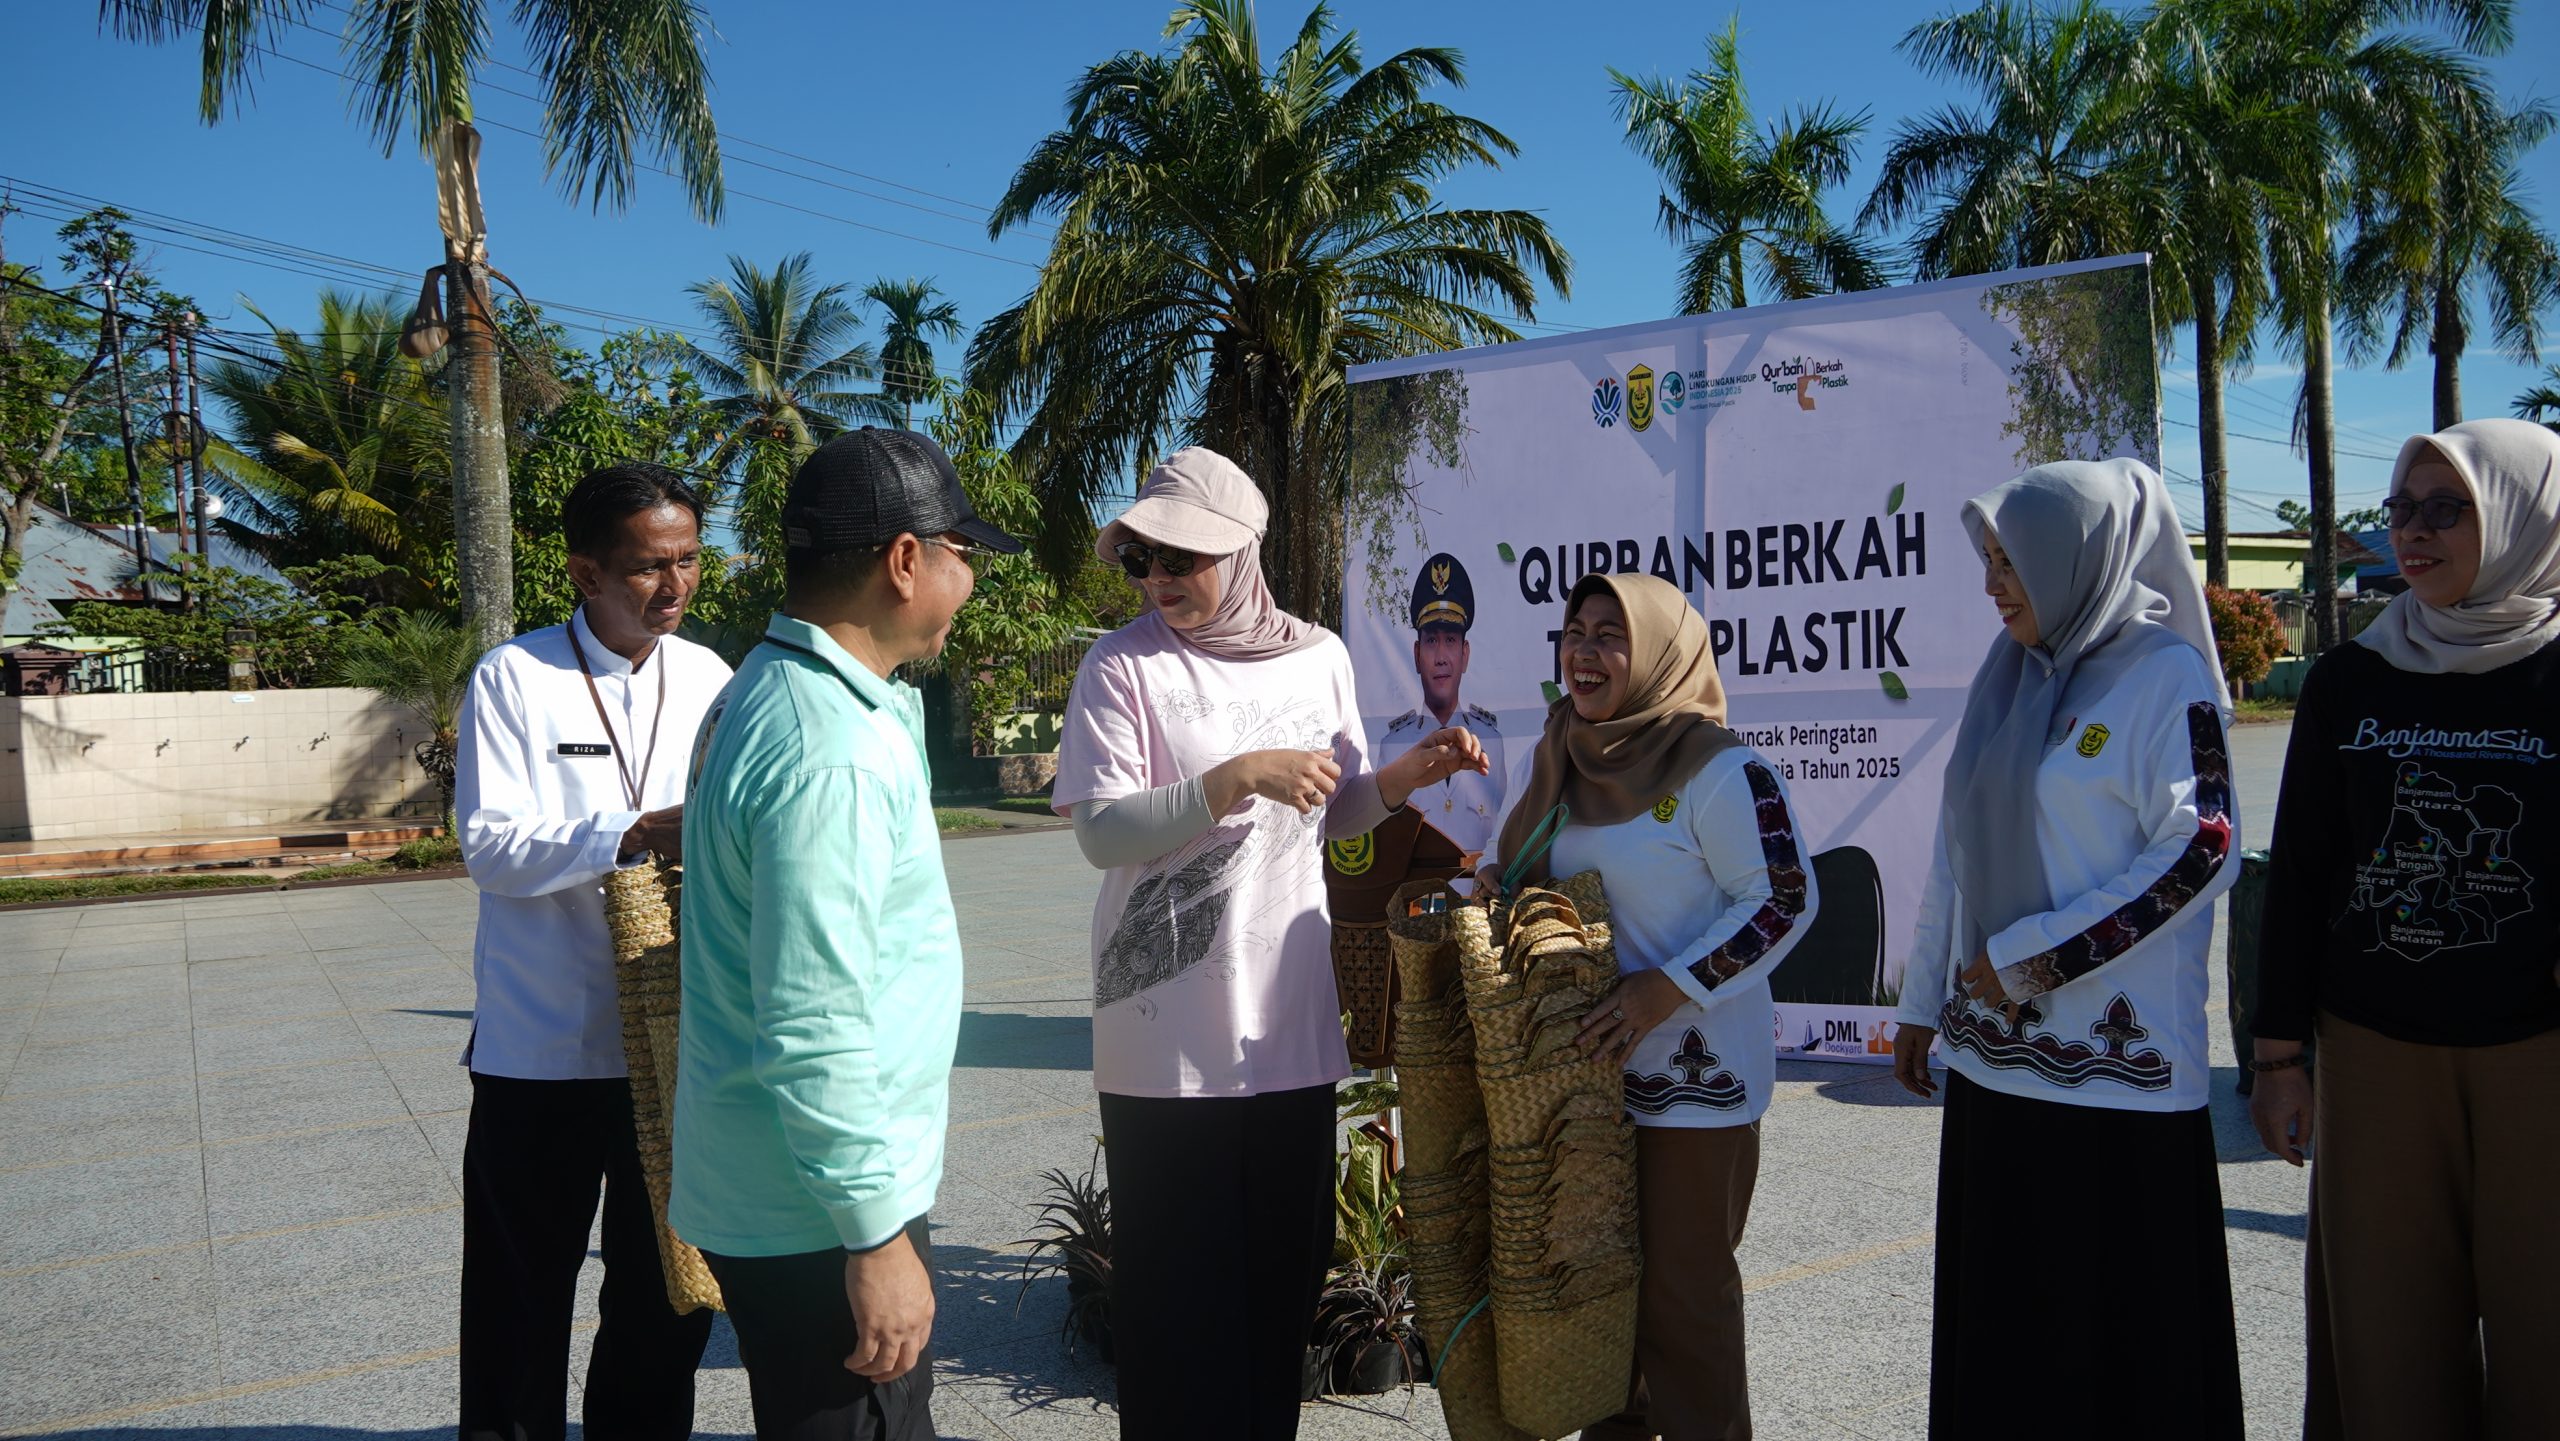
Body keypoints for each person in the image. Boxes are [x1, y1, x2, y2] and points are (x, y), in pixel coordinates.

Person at [1051, 446, 1488, 1441]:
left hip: (1284, 1026)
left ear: (1242, 553)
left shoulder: (1318, 656)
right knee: (1172, 1308)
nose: (1160, 579)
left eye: (1182, 558)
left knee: (1276, 1289)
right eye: (1144, 560)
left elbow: (1334, 817)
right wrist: (1232, 775)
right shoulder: (1123, 665)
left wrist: (1399, 781)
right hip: (1160, 1033)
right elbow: (1100, 831)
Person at [671, 428, 1020, 1441]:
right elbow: (812, 1016)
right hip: (818, 1211)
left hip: (792, 1186)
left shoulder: (774, 687)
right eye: (964, 555)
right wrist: (874, 1234)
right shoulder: (831, 751)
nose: (969, 582)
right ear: (904, 559)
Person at [1890, 458, 2243, 1439]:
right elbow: (1956, 849)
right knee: (2009, 1359)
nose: (1996, 585)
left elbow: (2205, 846)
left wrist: (2033, 960)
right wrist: (1923, 1002)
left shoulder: (2162, 675)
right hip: (1997, 1078)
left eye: (2017, 562)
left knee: (2123, 1363)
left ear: (2076, 561)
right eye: (1992, 560)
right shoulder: (2004, 677)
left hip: (2115, 1094)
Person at [2248, 418, 2560, 1440]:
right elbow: (2297, 872)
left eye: (2446, 508)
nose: (2413, 534)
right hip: (2375, 1055)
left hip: (2539, 1058)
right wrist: (2278, 1052)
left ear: (2519, 516)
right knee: (2386, 1348)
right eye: (2401, 509)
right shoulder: (2351, 679)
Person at [1478, 571, 1819, 1441]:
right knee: (1605, 1311)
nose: (1585, 651)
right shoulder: (1557, 748)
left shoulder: (1720, 767)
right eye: (1574, 631)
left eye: (1611, 634)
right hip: (1582, 1089)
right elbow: (1504, 861)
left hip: (1692, 1086)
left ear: (1663, 651)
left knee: (1683, 1309)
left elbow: (1784, 897)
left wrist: (1663, 989)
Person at [452, 463, 731, 1441]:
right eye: (649, 567)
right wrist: (633, 833)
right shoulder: (514, 677)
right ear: (584, 571)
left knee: (665, 1288)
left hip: (673, 1039)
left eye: (689, 560)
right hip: (543, 1044)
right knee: (519, 1286)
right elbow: (488, 846)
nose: (676, 585)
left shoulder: (711, 678)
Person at [1377, 551, 1507, 858]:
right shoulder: (1394, 746)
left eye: (1450, 640)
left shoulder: (1492, 743)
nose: (1441, 657)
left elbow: (1502, 840)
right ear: (1417, 655)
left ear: (1465, 655)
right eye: (1432, 642)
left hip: (1473, 904)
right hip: (1411, 905)